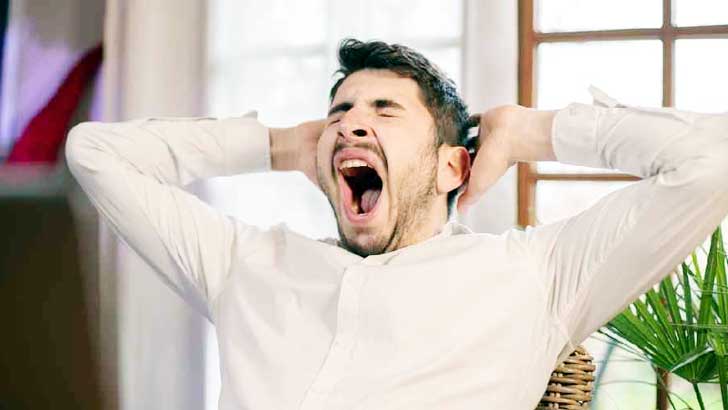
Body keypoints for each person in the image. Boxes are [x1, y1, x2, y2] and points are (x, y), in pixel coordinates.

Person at [65, 39, 728, 409]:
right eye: (340, 113)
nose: (352, 123)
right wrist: (276, 145)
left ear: (451, 167)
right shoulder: (244, 264)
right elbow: (95, 154)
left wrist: (534, 131)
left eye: (385, 110)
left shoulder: (535, 276)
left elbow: (714, 161)